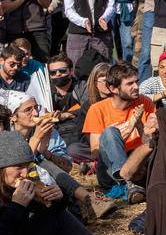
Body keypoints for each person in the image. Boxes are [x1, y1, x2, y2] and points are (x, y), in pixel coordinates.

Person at [0, 131, 120, 235]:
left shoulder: (20, 183)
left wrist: (59, 198)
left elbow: (48, 215)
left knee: (57, 216)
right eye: (18, 167)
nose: (25, 173)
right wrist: (17, 206)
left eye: (28, 166)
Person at [3, 92, 117, 220]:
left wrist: (46, 148)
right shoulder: (5, 137)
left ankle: (87, 201)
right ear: (13, 117)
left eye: (36, 107)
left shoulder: (45, 128)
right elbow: (20, 163)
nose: (35, 113)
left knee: (44, 161)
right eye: (28, 110)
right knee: (42, 163)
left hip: (50, 182)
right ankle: (87, 199)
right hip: (14, 183)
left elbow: (67, 167)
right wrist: (37, 138)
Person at [81, 62, 154, 201]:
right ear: (113, 88)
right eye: (130, 84)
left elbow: (150, 143)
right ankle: (126, 184)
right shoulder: (97, 109)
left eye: (136, 82)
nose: (136, 87)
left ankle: (136, 186)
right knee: (109, 133)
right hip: (111, 172)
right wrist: (129, 128)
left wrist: (139, 125)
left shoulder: (144, 102)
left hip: (139, 164)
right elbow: (95, 152)